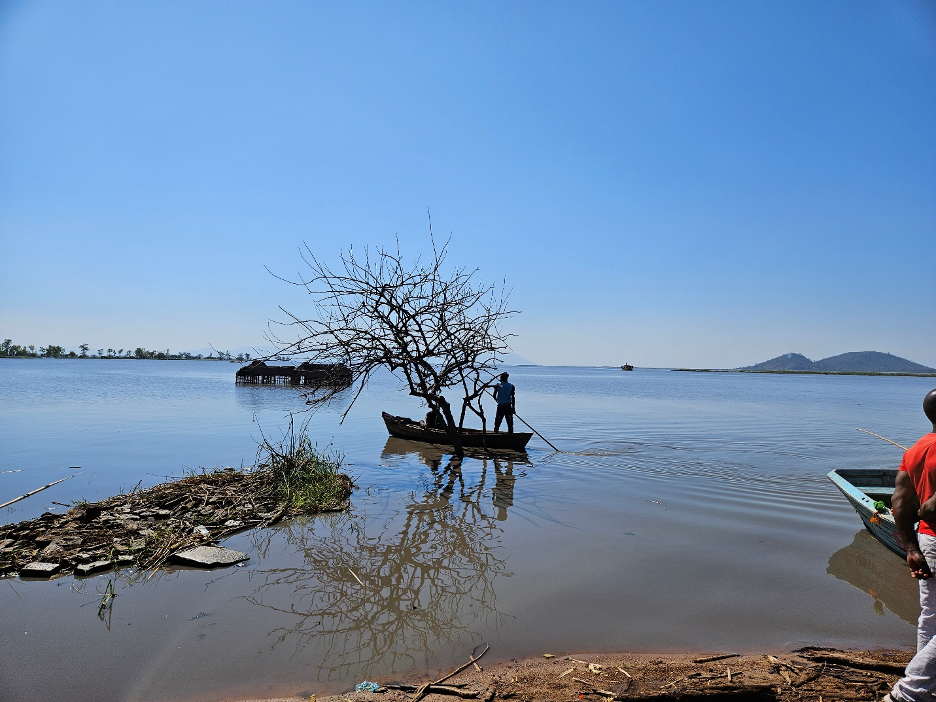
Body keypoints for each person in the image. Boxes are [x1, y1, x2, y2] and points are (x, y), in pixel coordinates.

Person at [887, 388, 936, 702]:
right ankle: (910, 693)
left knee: (931, 617)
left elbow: (900, 503)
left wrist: (911, 548)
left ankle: (927, 689)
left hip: (929, 540)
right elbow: (928, 508)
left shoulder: (916, 449)